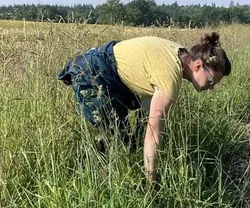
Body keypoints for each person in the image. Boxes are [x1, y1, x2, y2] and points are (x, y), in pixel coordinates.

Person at [58, 33, 232, 183]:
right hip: (93, 72)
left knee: (131, 139)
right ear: (198, 66)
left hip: (111, 70)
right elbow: (154, 134)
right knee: (116, 140)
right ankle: (89, 173)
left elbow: (149, 111)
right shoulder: (169, 79)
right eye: (211, 81)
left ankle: (124, 161)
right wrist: (152, 181)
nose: (210, 88)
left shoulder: (180, 54)